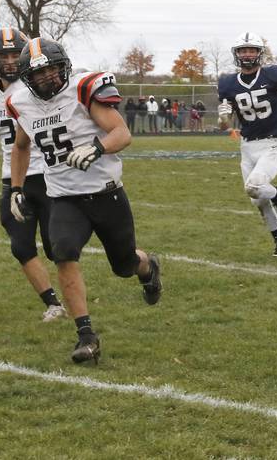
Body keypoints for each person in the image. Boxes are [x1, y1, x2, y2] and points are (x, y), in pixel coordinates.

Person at [8, 37, 163, 364]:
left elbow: (122, 133)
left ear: (62, 66)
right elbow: (21, 147)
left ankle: (148, 267)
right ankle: (86, 336)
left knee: (124, 266)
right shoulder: (21, 102)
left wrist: (96, 148)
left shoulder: (82, 89)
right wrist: (16, 189)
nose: (45, 78)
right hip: (64, 197)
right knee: (63, 252)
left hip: (106, 192)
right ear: (26, 78)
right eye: (36, 74)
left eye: (50, 70)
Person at [0, 28, 66, 322]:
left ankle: (74, 295)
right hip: (13, 180)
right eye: (3, 56)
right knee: (20, 247)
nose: (9, 61)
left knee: (56, 247)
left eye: (13, 54)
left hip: (46, 176)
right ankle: (53, 304)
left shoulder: (37, 86)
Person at [217, 32, 277, 256]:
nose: (247, 54)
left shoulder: (274, 75)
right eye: (243, 50)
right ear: (236, 54)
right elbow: (225, 126)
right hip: (247, 146)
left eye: (252, 50)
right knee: (257, 200)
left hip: (273, 144)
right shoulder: (228, 83)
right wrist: (223, 120)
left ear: (260, 53)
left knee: (254, 186)